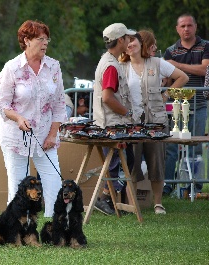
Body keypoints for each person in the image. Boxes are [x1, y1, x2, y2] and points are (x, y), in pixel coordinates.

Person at [0, 20, 67, 218]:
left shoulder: (54, 66)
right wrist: (18, 117)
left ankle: (55, 226)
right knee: (18, 184)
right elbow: (2, 105)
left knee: (53, 181)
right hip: (15, 135)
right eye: (40, 39)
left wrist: (53, 135)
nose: (45, 43)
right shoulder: (12, 68)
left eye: (47, 39)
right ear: (26, 40)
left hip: (46, 135)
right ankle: (16, 228)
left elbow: (60, 104)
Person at [119, 30, 189, 214]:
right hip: (132, 122)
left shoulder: (158, 63)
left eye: (132, 41)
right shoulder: (121, 67)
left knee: (156, 162)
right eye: (126, 42)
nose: (128, 45)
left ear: (141, 45)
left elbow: (183, 77)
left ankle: (158, 203)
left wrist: (166, 95)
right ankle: (131, 204)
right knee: (132, 163)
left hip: (156, 121)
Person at [92, 23, 136, 215]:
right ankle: (103, 198)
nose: (129, 40)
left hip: (109, 123)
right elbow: (108, 97)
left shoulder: (108, 60)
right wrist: (127, 113)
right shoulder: (111, 65)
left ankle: (108, 199)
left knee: (119, 162)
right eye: (127, 37)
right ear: (120, 40)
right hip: (112, 124)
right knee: (118, 162)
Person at [163, 14, 209, 195]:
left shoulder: (206, 46)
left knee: (196, 146)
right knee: (171, 146)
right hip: (176, 107)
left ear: (195, 27)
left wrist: (176, 65)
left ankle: (194, 186)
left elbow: (205, 69)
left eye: (189, 25)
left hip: (199, 105)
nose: (186, 29)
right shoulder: (170, 50)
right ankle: (167, 184)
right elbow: (167, 76)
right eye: (182, 26)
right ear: (177, 28)